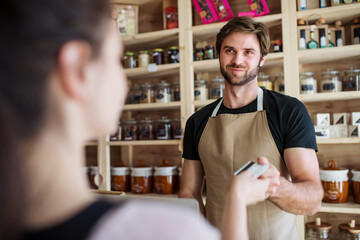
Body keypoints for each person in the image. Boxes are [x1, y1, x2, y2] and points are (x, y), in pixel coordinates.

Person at [0, 1, 279, 240]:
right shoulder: (160, 231)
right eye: (116, 60)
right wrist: (237, 198)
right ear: (76, 69)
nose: (123, 82)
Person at [179, 16, 324, 240]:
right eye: (229, 50)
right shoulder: (197, 122)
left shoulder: (288, 111)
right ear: (218, 54)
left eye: (248, 52)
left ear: (261, 59)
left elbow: (312, 199)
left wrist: (272, 185)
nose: (238, 60)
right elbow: (189, 193)